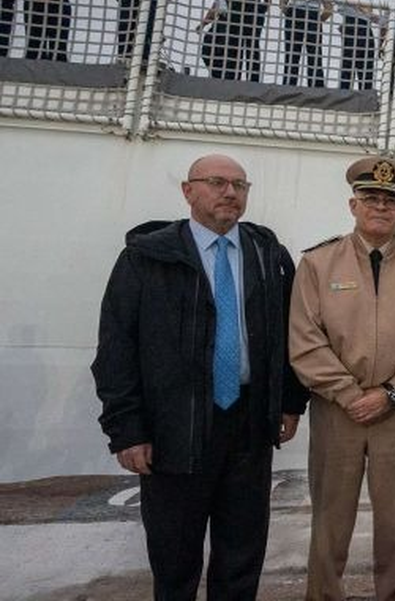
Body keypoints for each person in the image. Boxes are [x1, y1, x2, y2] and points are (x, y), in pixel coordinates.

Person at [92, 154, 309, 600]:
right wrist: (127, 430)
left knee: (242, 550)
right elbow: (116, 348)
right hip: (175, 425)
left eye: (240, 185)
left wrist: (290, 402)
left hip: (248, 423)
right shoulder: (146, 258)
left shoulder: (269, 255)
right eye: (216, 182)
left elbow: (289, 335)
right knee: (175, 554)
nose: (230, 193)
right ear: (188, 191)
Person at [289, 157, 395, 601]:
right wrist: (349, 393)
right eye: (371, 198)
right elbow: (304, 340)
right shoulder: (318, 264)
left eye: (390, 200)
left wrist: (392, 392)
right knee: (330, 518)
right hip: (337, 410)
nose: (380, 206)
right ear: (352, 204)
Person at [278, 0, 331, 88]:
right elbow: (282, 1)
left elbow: (329, 7)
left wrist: (318, 20)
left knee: (314, 54)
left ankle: (316, 88)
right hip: (295, 15)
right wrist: (289, 14)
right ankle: (288, 87)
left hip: (313, 16)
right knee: (292, 53)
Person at [339, 0, 380, 90]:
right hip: (353, 24)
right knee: (349, 61)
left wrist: (373, 17)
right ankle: (344, 93)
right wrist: (367, 13)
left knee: (367, 63)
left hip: (364, 25)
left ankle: (366, 94)